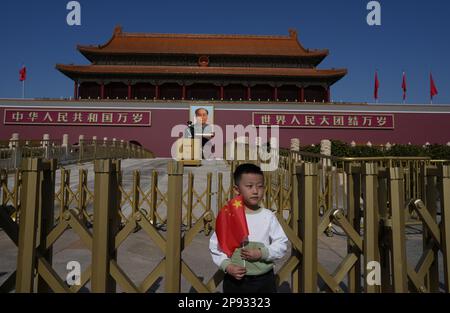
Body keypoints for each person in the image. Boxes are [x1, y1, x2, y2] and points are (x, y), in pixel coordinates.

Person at [209, 163, 288, 293]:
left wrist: (262, 253)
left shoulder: (268, 216)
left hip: (264, 280)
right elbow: (215, 245)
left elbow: (282, 243)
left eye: (260, 186)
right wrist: (227, 266)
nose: (256, 191)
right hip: (235, 281)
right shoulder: (229, 215)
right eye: (249, 186)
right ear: (236, 189)